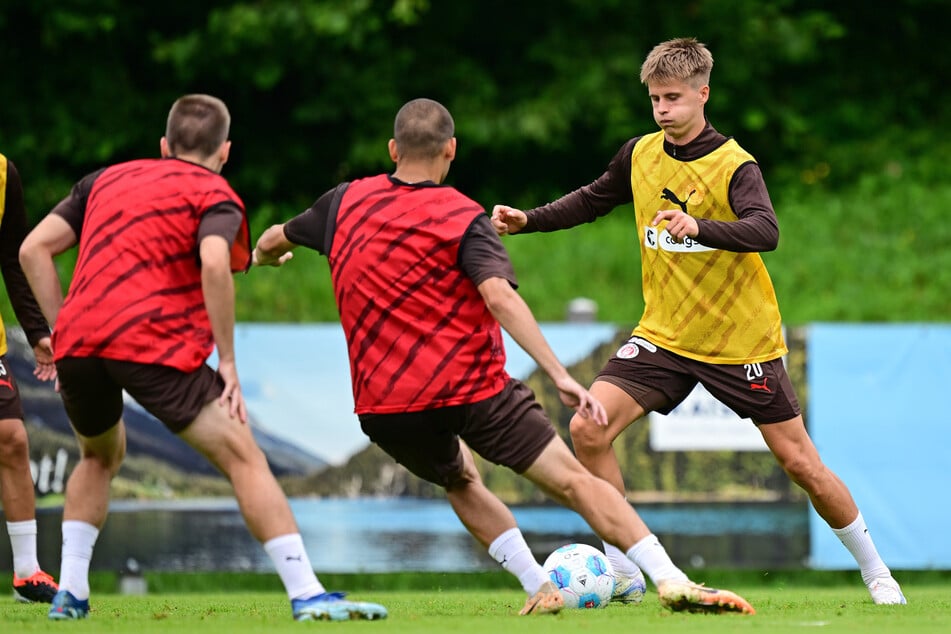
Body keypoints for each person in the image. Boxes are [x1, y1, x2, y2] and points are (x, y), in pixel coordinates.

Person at [253, 97, 754, 616]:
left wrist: (260, 257)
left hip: (386, 406)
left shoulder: (342, 203)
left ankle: (539, 585)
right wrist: (560, 374)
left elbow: (274, 237)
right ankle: (671, 580)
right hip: (472, 390)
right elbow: (499, 297)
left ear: (391, 149)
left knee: (458, 479)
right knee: (576, 483)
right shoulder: (459, 216)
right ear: (451, 149)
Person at [491, 37, 906, 606]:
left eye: (673, 98)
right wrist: (528, 220)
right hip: (664, 334)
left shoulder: (735, 165)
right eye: (655, 99)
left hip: (740, 340)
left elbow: (767, 231)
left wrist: (699, 226)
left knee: (801, 463)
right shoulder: (639, 153)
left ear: (702, 94)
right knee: (589, 427)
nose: (662, 109)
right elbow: (592, 199)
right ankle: (628, 568)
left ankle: (877, 572)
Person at [17, 94, 387, 622]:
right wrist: (229, 362)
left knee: (98, 457)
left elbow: (34, 249)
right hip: (150, 344)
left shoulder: (103, 180)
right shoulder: (214, 193)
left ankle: (71, 593)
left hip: (80, 346)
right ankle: (306, 592)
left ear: (164, 146)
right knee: (243, 456)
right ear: (225, 151)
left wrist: (62, 331)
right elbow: (216, 263)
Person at [0, 153, 59, 604]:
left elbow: (13, 259)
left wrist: (37, 330)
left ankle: (26, 573)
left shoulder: (3, 172)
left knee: (12, 438)